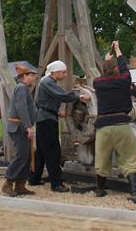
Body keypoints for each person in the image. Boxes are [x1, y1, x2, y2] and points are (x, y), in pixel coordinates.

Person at [28, 60, 89, 192]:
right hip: (47, 120)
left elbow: (49, 100)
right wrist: (80, 96)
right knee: (53, 151)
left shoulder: (47, 82)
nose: (65, 75)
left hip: (44, 118)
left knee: (42, 152)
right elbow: (62, 95)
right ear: (55, 72)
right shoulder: (48, 82)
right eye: (63, 72)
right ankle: (56, 184)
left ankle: (34, 178)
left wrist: (56, 111)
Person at [93, 41, 136, 198]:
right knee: (130, 157)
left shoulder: (98, 83)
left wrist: (107, 60)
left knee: (102, 157)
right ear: (116, 70)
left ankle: (100, 189)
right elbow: (124, 69)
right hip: (122, 124)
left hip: (104, 127)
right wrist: (118, 49)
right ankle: (134, 189)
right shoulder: (124, 81)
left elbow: (106, 72)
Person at [2, 65, 39, 197]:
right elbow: (21, 108)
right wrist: (28, 126)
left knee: (27, 156)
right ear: (24, 76)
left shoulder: (23, 88)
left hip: (20, 126)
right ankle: (8, 182)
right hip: (19, 127)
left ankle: (20, 184)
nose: (33, 77)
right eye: (30, 75)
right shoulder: (22, 88)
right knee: (22, 155)